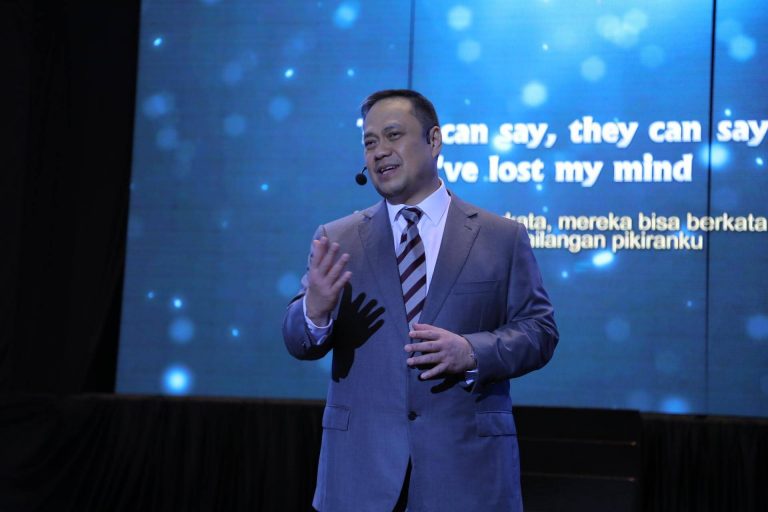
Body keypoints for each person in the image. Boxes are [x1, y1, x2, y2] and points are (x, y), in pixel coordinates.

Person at [283, 89, 558, 512]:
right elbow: (298, 340)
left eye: (393, 135)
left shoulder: (501, 237)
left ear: (434, 140)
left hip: (467, 475)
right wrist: (314, 311)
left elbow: (539, 332)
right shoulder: (338, 239)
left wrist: (471, 351)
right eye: (370, 142)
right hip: (360, 477)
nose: (379, 151)